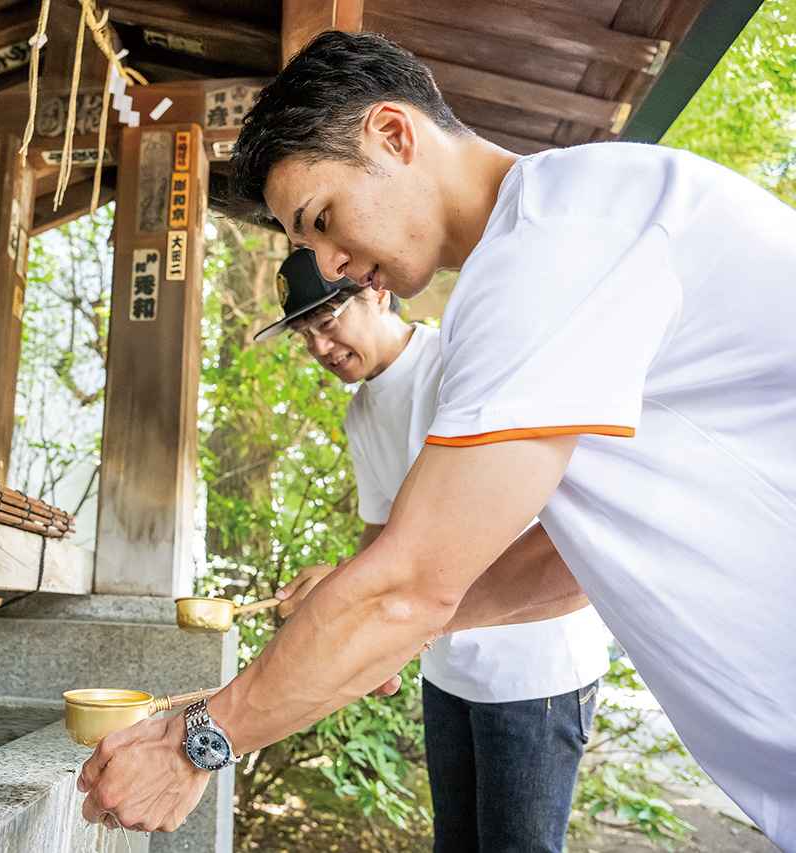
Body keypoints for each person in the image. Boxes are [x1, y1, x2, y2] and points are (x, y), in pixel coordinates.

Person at [76, 31, 796, 847]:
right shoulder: (542, 256)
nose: (336, 265)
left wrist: (196, 742)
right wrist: (393, 619)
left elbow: (406, 585)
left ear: (393, 132)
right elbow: (570, 560)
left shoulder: (557, 240)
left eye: (323, 220)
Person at [261, 247, 610, 851]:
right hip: (445, 667)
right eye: (304, 335)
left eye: (326, 322)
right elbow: (381, 535)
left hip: (536, 666)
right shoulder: (362, 410)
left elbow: (532, 516)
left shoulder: (459, 362)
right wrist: (346, 594)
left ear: (373, 290)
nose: (319, 348)